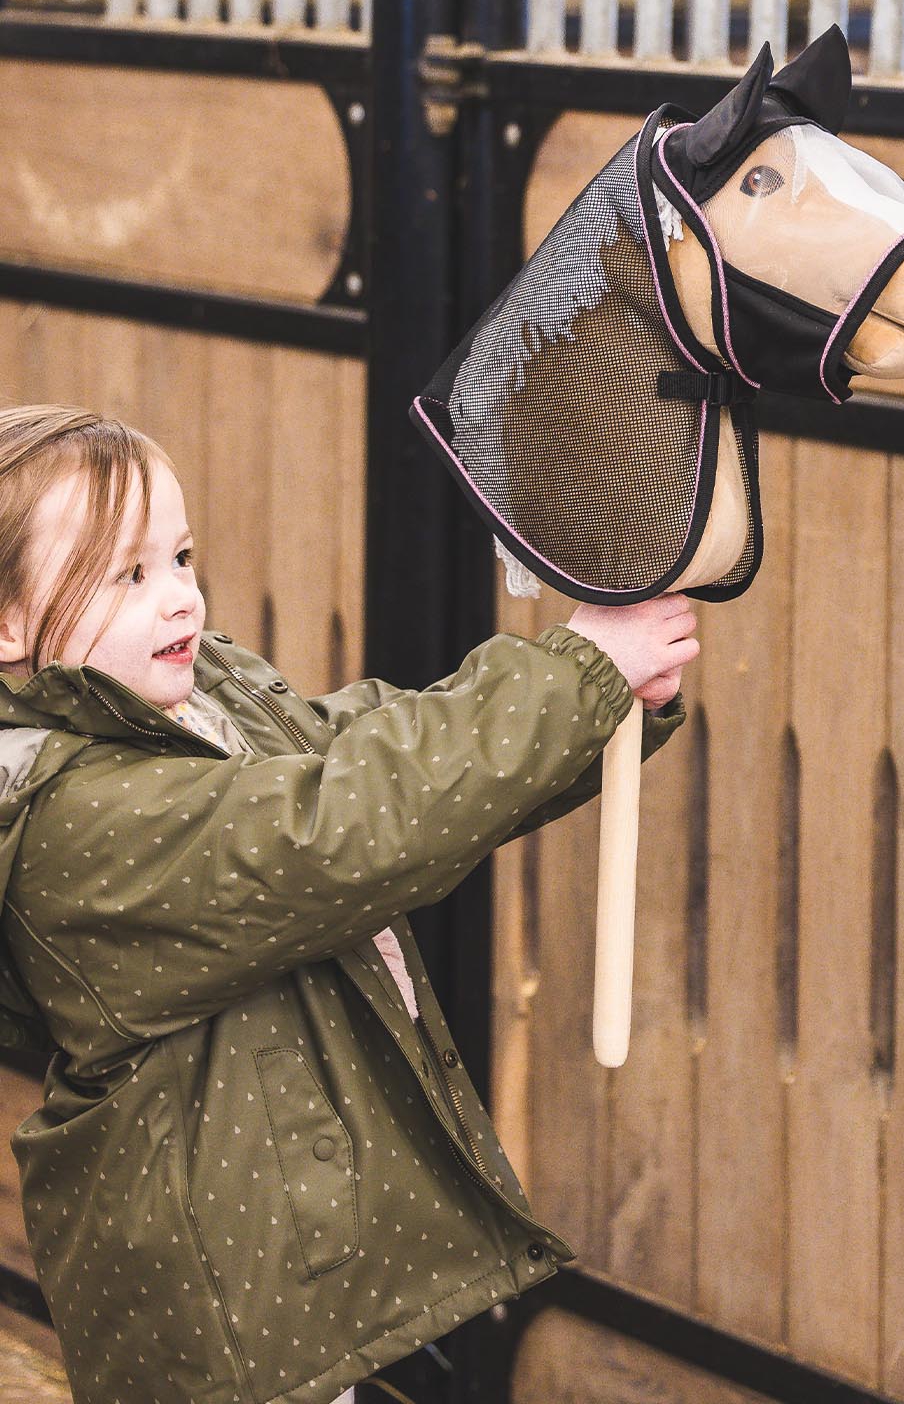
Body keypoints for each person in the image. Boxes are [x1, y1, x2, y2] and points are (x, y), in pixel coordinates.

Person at [0, 405, 695, 1404]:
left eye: (181, 558)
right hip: (216, 1311)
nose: (180, 597)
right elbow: (345, 823)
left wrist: (601, 707)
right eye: (126, 576)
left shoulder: (197, 711)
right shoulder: (73, 818)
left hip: (276, 1279)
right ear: (7, 623)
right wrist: (578, 676)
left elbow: (383, 746)